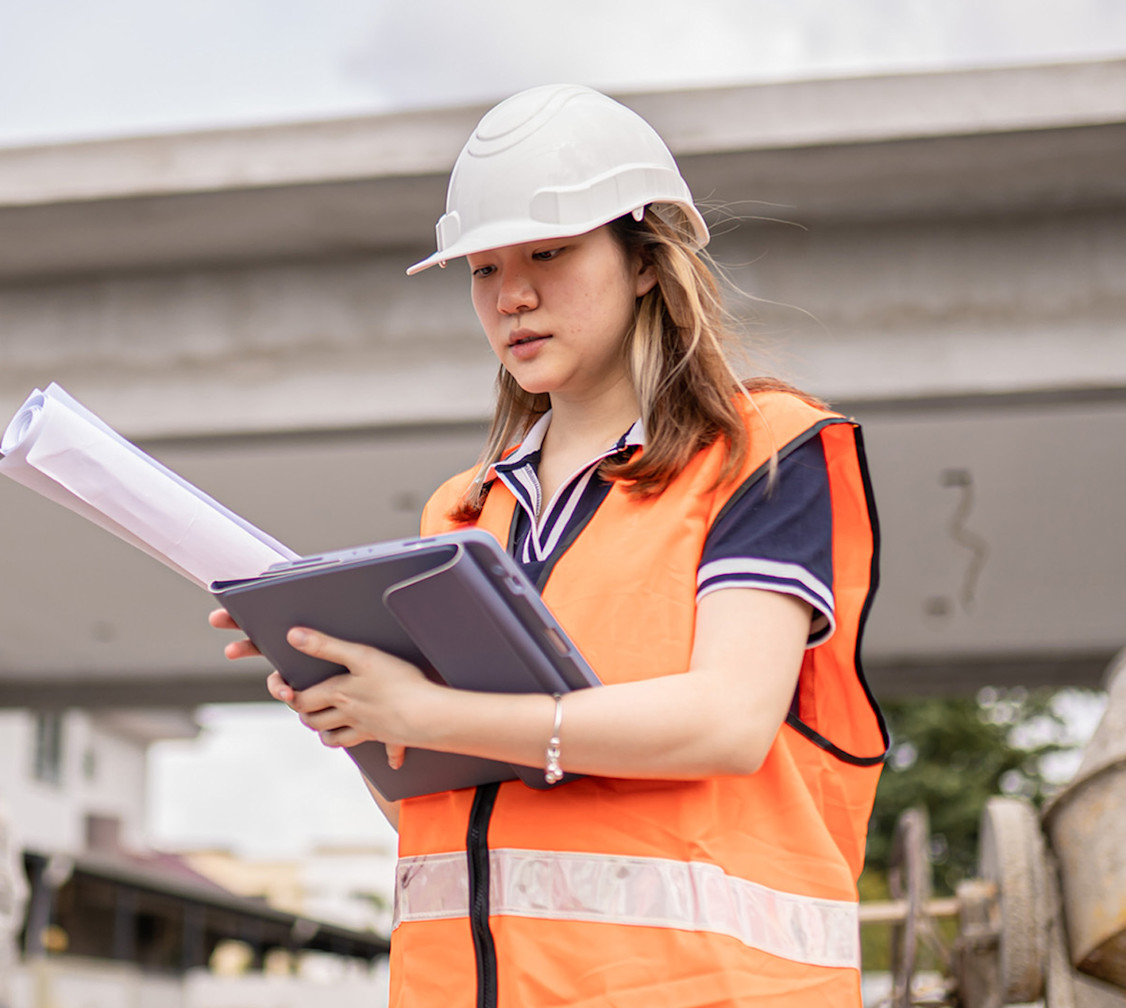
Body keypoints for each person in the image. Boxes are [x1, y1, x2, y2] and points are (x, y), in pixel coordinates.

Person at [210, 84, 886, 1008]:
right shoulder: (462, 514)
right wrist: (360, 713)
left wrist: (431, 717)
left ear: (646, 259)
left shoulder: (759, 450)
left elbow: (730, 722)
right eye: (484, 269)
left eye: (550, 252)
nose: (512, 297)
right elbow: (441, 813)